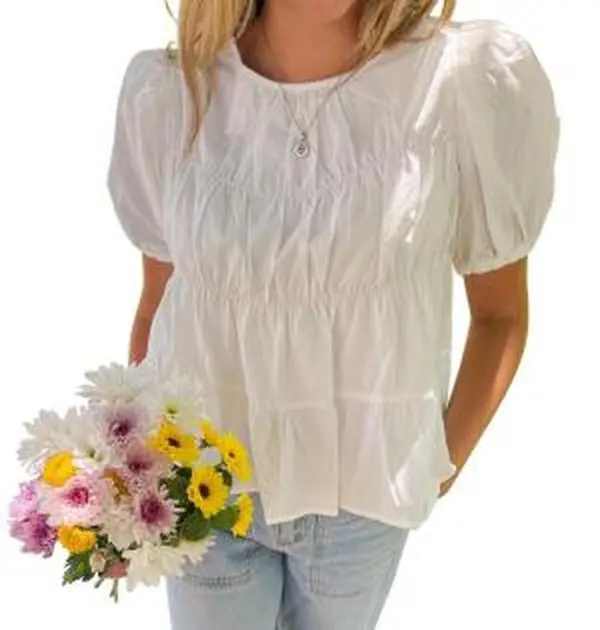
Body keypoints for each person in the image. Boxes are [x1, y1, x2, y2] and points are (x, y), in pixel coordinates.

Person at [105, 0, 560, 628]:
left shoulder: (457, 82)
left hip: (361, 506)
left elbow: (500, 314)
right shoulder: (173, 92)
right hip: (206, 486)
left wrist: (438, 465)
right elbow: (160, 305)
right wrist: (134, 475)